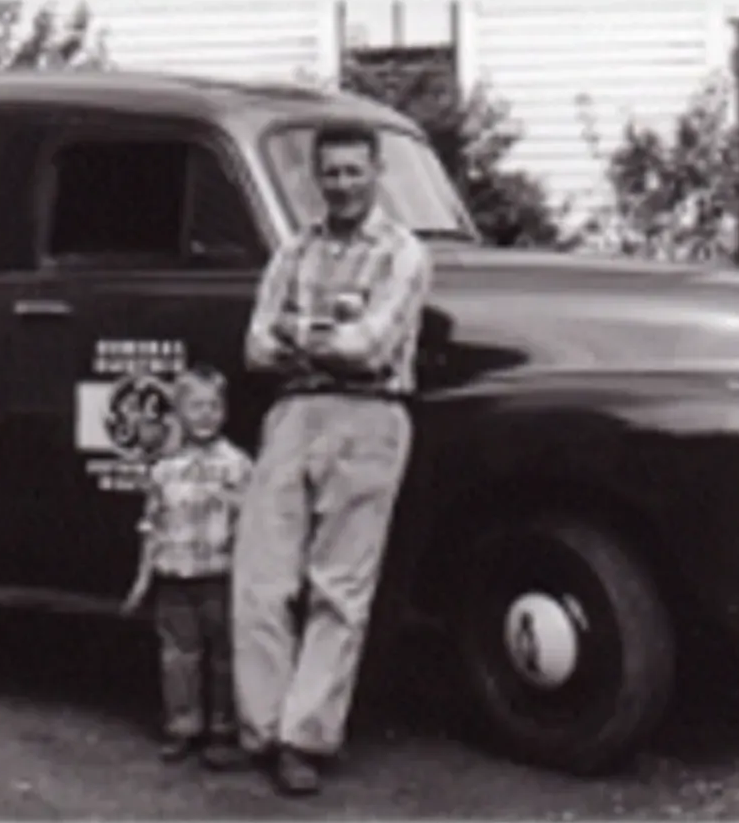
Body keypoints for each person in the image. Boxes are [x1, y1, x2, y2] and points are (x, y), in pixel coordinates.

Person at [232, 121, 433, 796]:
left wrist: (299, 334)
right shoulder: (294, 249)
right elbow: (255, 345)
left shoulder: (403, 252)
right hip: (292, 412)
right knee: (261, 576)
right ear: (315, 178)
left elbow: (370, 347)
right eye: (331, 173)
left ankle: (304, 736)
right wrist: (318, 338)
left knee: (338, 588)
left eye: (353, 171)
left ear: (376, 173)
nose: (342, 184)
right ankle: (257, 728)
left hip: (369, 415)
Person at [122, 365, 254, 770]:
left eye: (215, 405)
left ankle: (222, 729)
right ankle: (183, 726)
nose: (206, 414)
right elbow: (153, 525)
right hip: (174, 577)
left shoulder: (238, 465)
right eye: (196, 406)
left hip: (220, 575)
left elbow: (252, 525)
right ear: (177, 411)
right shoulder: (163, 469)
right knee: (179, 656)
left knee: (224, 656)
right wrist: (143, 578)